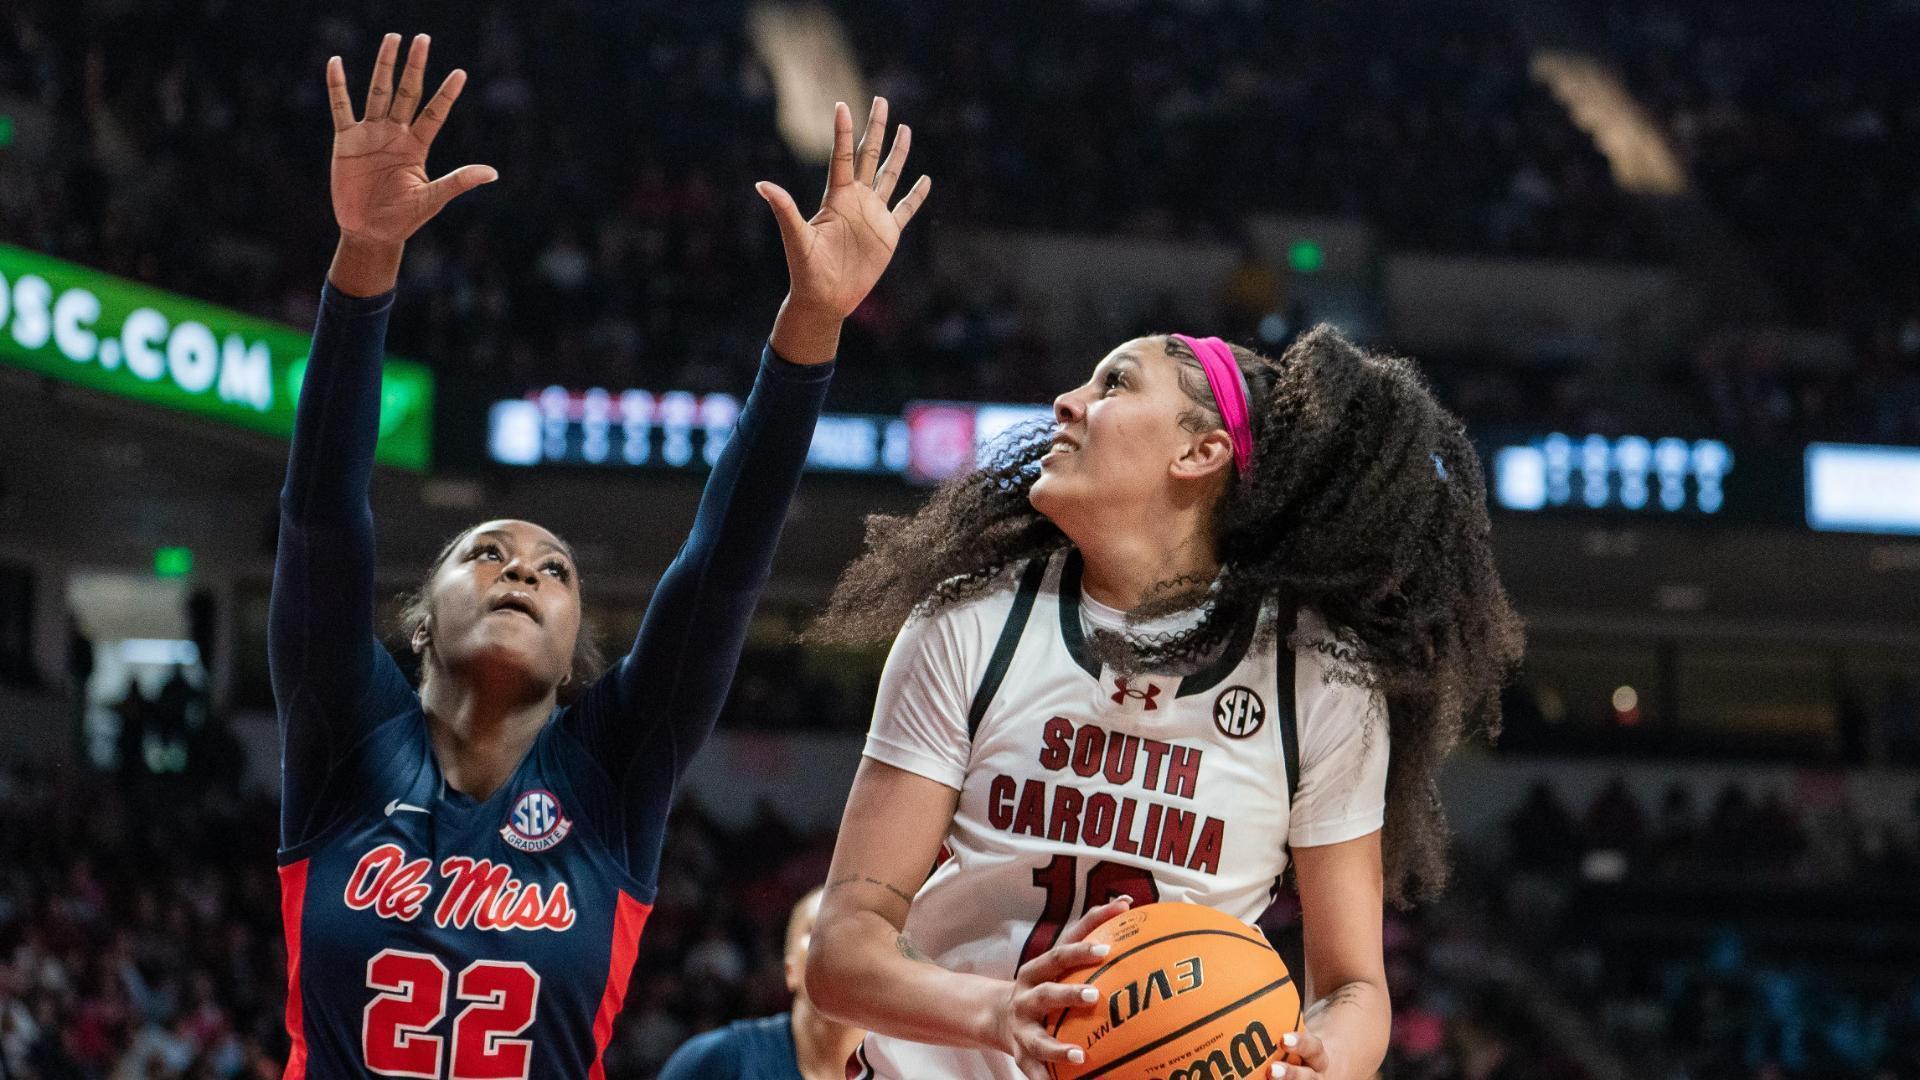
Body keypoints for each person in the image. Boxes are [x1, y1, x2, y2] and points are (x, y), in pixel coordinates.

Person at [270, 33, 929, 1077]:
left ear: (583, 641)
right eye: (485, 551)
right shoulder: (344, 735)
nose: (523, 569)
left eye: (554, 568)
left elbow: (722, 569)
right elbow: (319, 522)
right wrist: (364, 264)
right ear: (420, 614)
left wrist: (811, 323)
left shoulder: (612, 772)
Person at [805, 330, 1524, 1080]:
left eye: (1113, 383)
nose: (1067, 402)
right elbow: (842, 950)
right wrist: (994, 1012)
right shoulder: (971, 622)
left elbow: (1352, 988)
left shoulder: (1316, 676)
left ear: (1200, 452)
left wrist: (1324, 1062)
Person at [658, 887, 865, 1080]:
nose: (835, 942)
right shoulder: (719, 1057)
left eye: (851, 933)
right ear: (789, 971)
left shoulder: (895, 1066)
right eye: (817, 928)